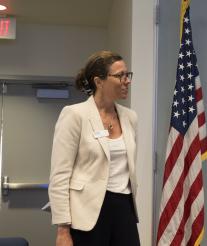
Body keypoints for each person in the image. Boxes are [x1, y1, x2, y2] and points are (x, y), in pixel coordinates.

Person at [48, 51, 140, 246]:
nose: (127, 81)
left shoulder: (130, 117)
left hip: (125, 210)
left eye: (127, 74)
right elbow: (60, 175)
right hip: (88, 215)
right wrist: (63, 230)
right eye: (120, 75)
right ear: (99, 82)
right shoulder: (75, 115)